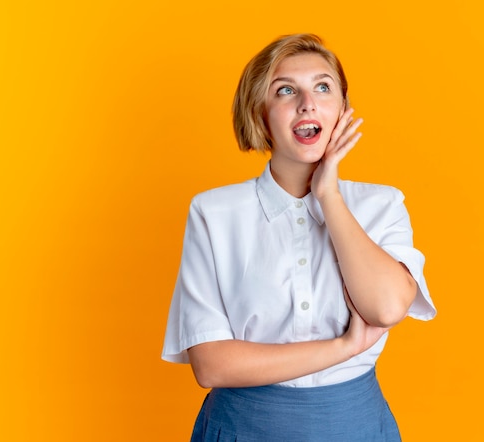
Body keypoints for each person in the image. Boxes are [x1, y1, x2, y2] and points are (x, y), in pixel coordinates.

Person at [162, 33, 436, 441]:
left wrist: (328, 195)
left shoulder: (384, 204)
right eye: (286, 91)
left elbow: (387, 308)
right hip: (242, 428)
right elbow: (212, 366)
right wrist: (344, 348)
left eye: (323, 87)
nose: (307, 102)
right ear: (260, 113)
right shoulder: (213, 213)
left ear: (342, 109)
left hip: (354, 426)